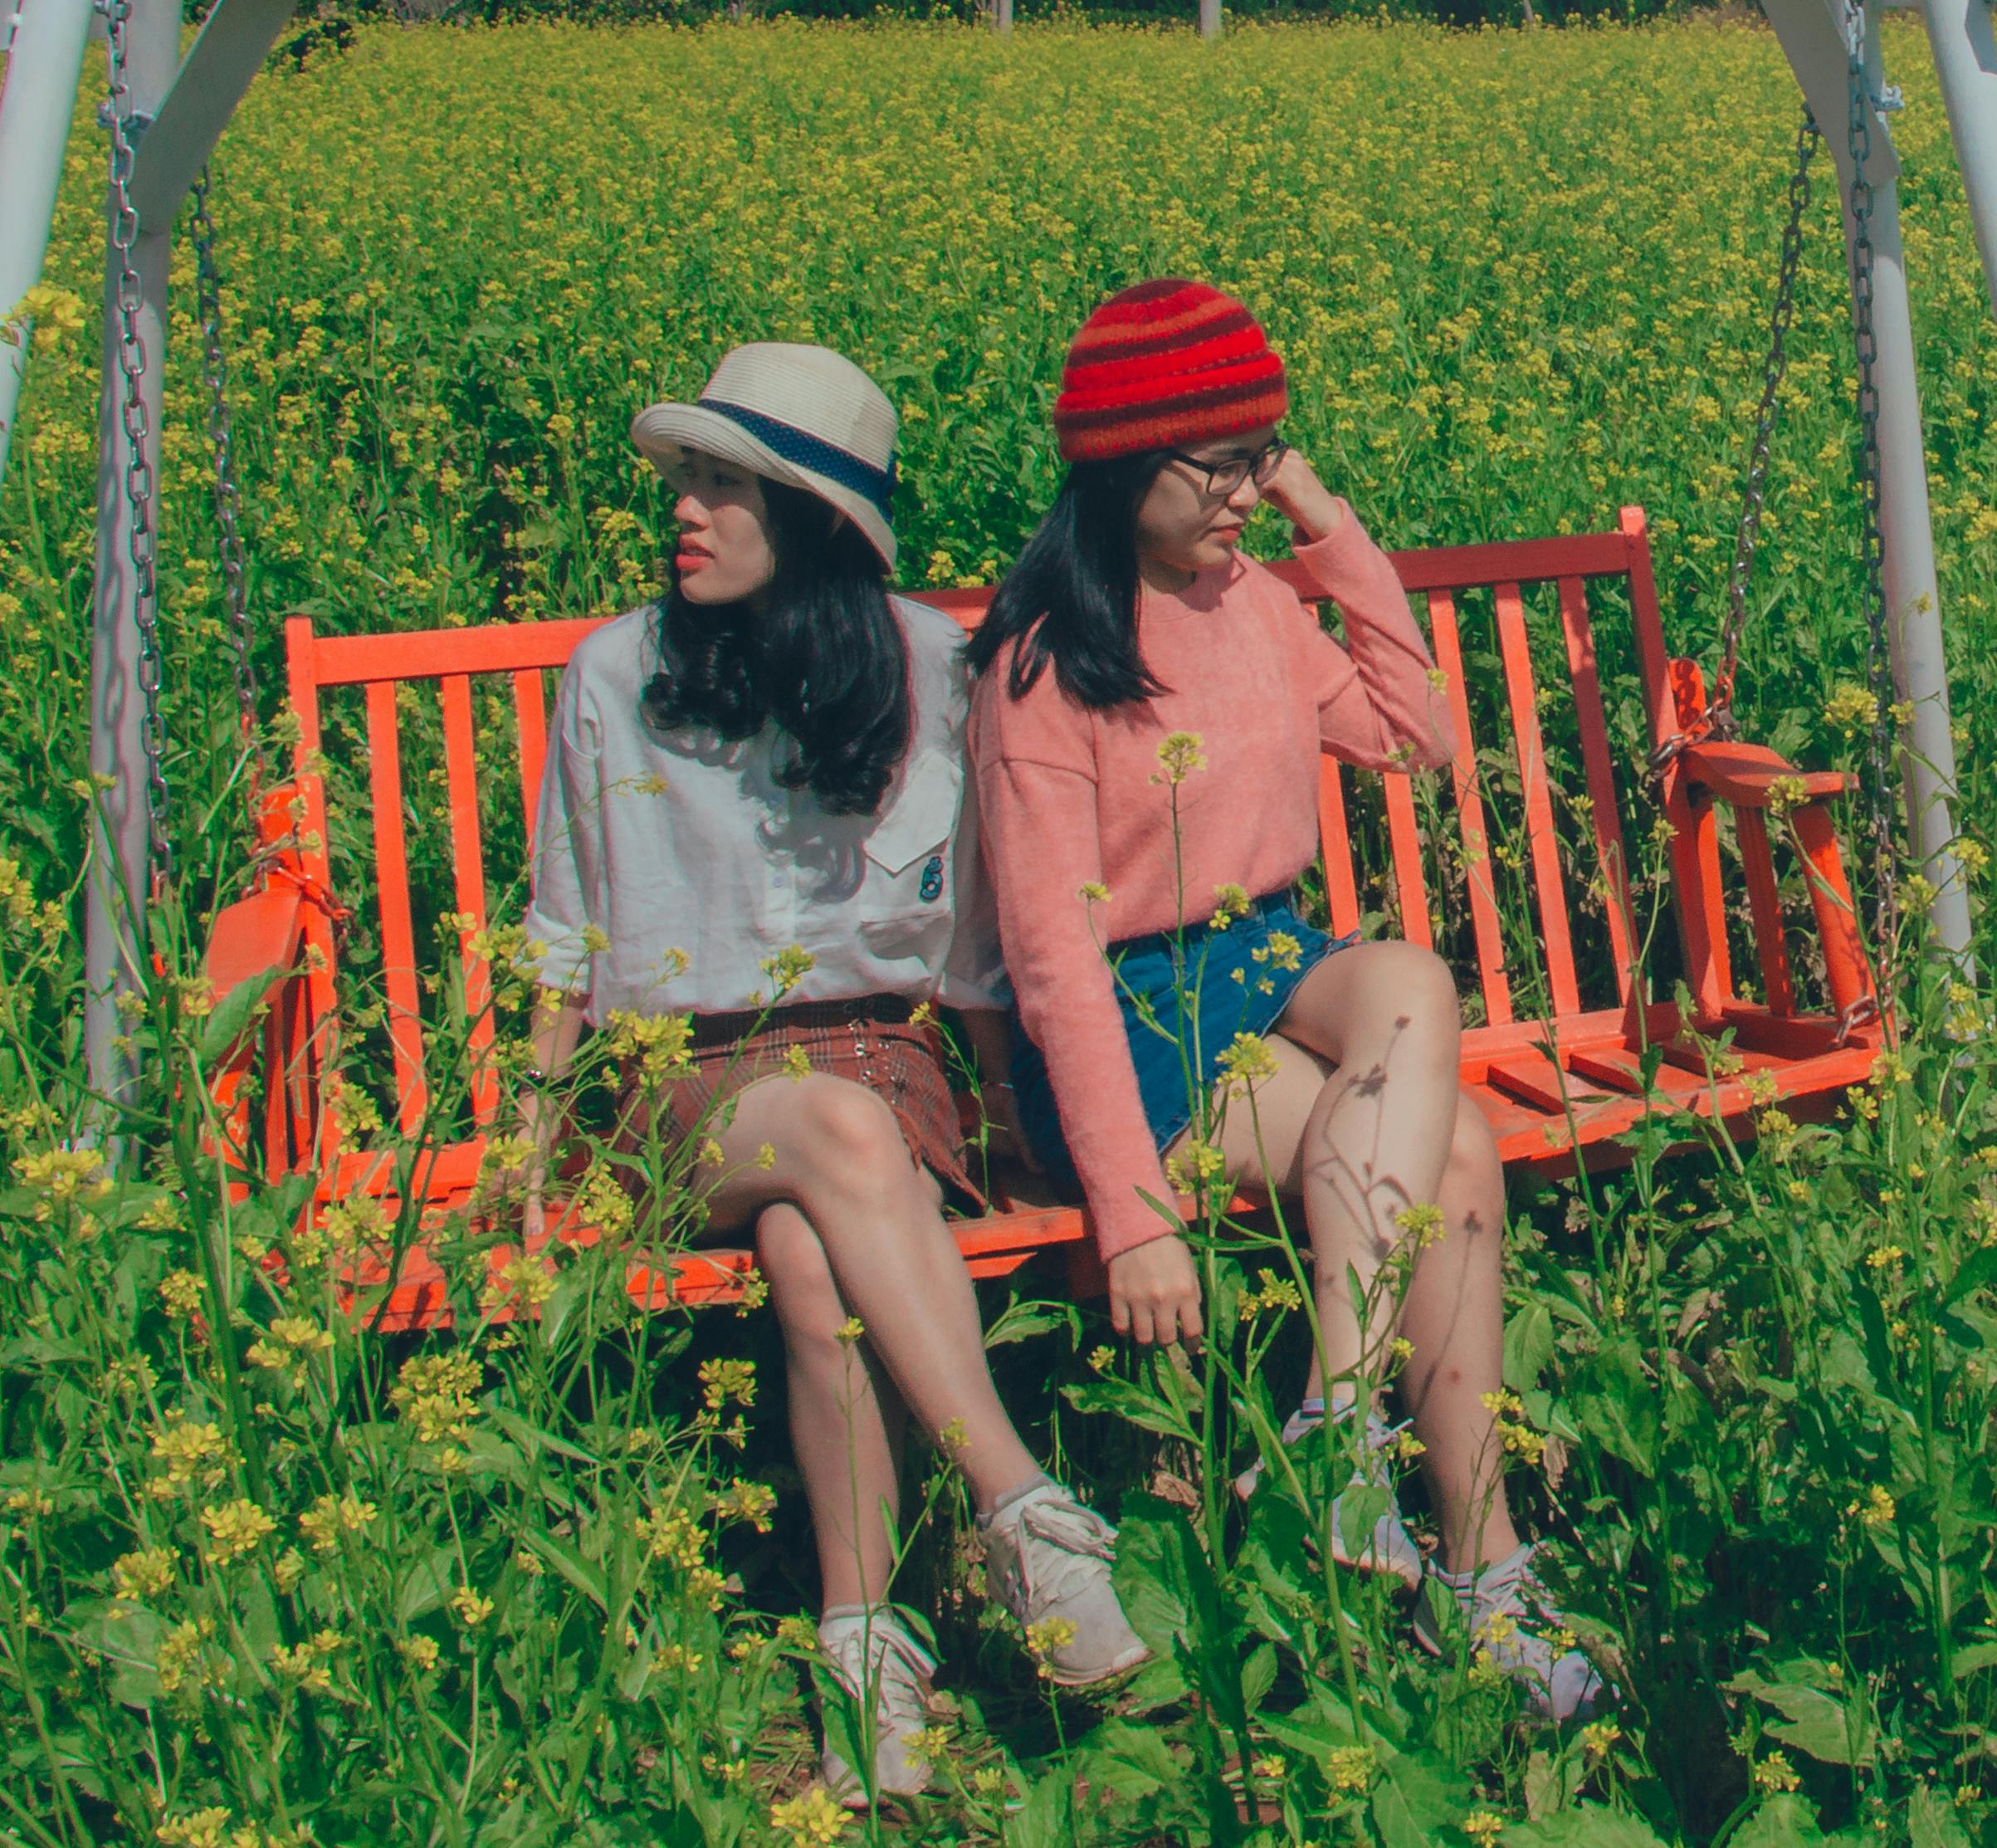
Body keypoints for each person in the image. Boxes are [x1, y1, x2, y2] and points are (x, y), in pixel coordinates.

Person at [967, 276, 1602, 1719]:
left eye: (1265, 454)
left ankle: (1359, 1457)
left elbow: (1414, 730)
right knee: (1449, 1153)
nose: (1247, 492)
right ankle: (1475, 1577)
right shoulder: (1042, 663)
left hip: (1261, 970)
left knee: (1411, 987)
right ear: (1122, 466)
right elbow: (1054, 965)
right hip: (1135, 1040)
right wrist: (1130, 1217)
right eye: (1224, 464)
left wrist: (1327, 520)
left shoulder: (1248, 600)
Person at [518, 342, 1143, 1804]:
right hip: (687, 1089)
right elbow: (568, 926)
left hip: (879, 1067)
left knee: (814, 1257)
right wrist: (533, 1141)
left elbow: (973, 935)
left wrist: (1003, 1119)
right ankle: (1024, 1512)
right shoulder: (616, 670)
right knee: (834, 1141)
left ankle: (865, 1649)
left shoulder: (931, 666)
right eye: (684, 484)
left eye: (723, 489)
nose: (684, 515)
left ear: (811, 521)